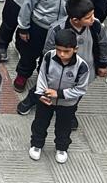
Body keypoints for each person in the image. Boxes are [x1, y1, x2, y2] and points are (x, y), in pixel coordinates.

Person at [28, 28, 91, 164]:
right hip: (46, 100)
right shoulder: (48, 57)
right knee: (40, 123)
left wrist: (60, 94)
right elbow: (42, 76)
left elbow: (80, 89)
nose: (62, 54)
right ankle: (36, 144)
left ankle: (62, 148)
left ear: (75, 49)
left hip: (67, 104)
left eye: (66, 51)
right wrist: (40, 93)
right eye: (59, 50)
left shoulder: (82, 67)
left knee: (64, 127)